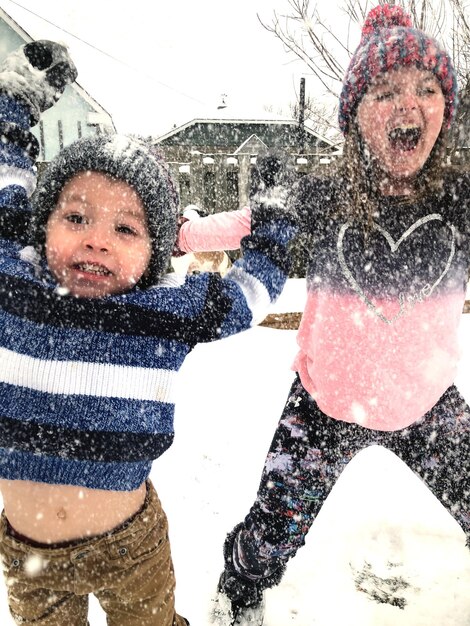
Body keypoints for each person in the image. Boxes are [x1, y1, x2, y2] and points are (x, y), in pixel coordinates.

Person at [175, 6, 470, 625]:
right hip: (324, 407)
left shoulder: (462, 203)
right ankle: (238, 592)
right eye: (385, 91)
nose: (408, 105)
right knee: (270, 532)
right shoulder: (324, 197)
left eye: (427, 89)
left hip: (427, 407)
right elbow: (245, 225)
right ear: (355, 114)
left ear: (447, 108)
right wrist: (175, 235)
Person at [0, 41, 297, 626]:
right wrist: (16, 104)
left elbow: (247, 296)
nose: (97, 239)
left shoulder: (164, 311)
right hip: (27, 552)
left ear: (156, 254)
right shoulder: (15, 277)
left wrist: (276, 225)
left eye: (126, 228)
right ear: (43, 224)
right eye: (76, 216)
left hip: (129, 548)